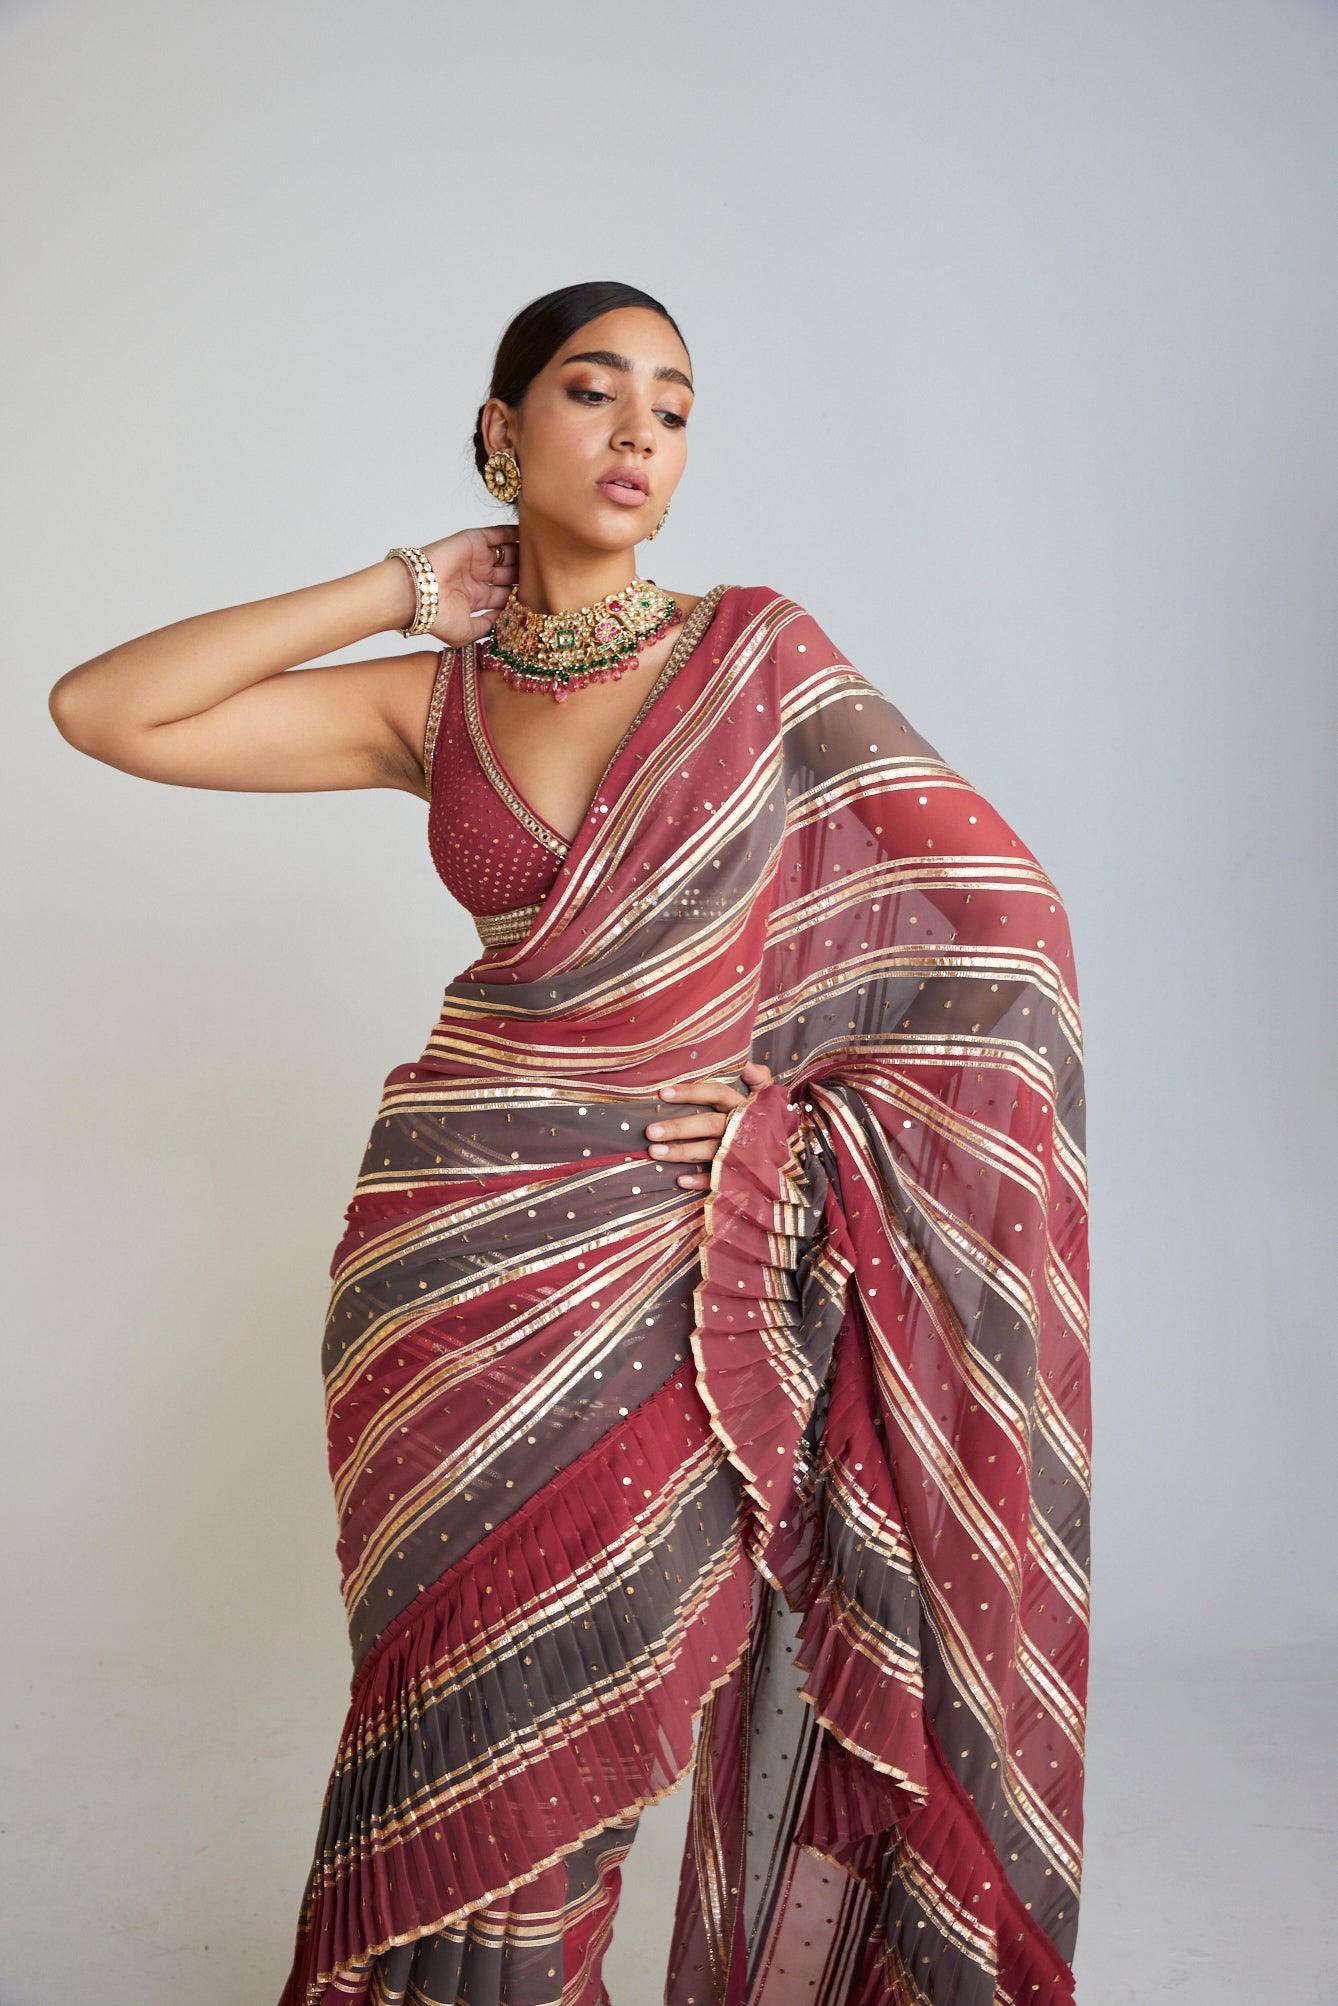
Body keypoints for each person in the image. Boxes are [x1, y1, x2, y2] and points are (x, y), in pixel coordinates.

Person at [49, 280, 1091, 2006]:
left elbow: (1001, 926)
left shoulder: (756, 660)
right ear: (502, 431)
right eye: (594, 392)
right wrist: (394, 588)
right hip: (441, 1270)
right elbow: (105, 710)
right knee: (444, 1713)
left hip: (664, 1261)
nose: (636, 435)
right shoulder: (432, 699)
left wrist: (798, 1117)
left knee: (582, 1703)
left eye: (671, 409)